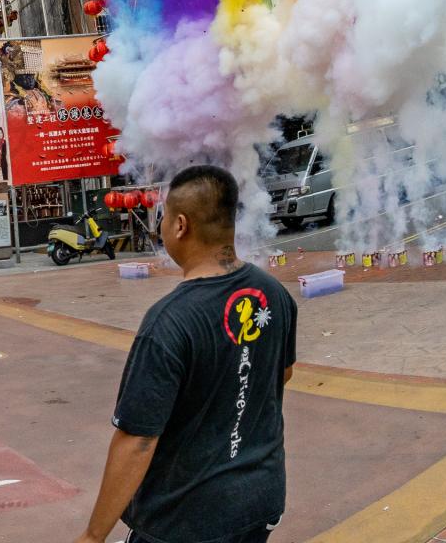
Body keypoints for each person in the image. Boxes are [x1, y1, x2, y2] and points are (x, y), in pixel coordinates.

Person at [73, 165, 297, 543]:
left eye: (162, 217)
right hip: (259, 502)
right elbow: (281, 374)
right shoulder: (274, 294)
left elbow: (138, 439)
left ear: (180, 225)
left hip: (186, 518)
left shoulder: (170, 322)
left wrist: (94, 536)